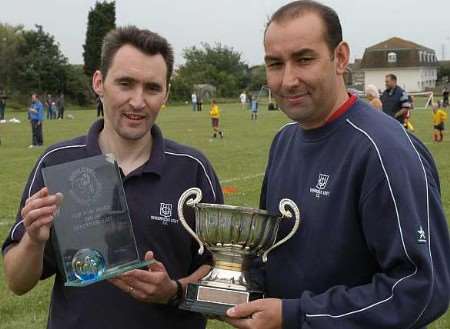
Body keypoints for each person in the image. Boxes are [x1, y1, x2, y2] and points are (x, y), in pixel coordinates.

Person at [225, 2, 450, 329]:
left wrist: (297, 315)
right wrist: (226, 283)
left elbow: (420, 288)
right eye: (275, 64)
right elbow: (271, 252)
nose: (288, 80)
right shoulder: (285, 139)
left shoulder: (384, 150)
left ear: (340, 58)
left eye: (304, 59)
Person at [2, 26, 223, 329]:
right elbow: (17, 282)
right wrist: (34, 241)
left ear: (166, 93)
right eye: (125, 83)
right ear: (99, 82)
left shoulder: (192, 169)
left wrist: (173, 291)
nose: (137, 101)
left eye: (152, 88)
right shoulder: (57, 162)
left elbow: (221, 277)